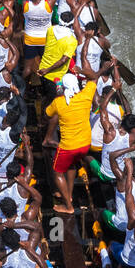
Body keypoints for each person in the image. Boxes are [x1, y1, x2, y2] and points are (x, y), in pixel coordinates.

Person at [43, 70, 98, 214]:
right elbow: (94, 77)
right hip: (85, 145)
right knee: (72, 165)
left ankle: (68, 206)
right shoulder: (86, 95)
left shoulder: (59, 102)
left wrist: (58, 94)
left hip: (68, 147)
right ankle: (68, 194)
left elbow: (47, 114)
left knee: (57, 172)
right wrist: (82, 71)